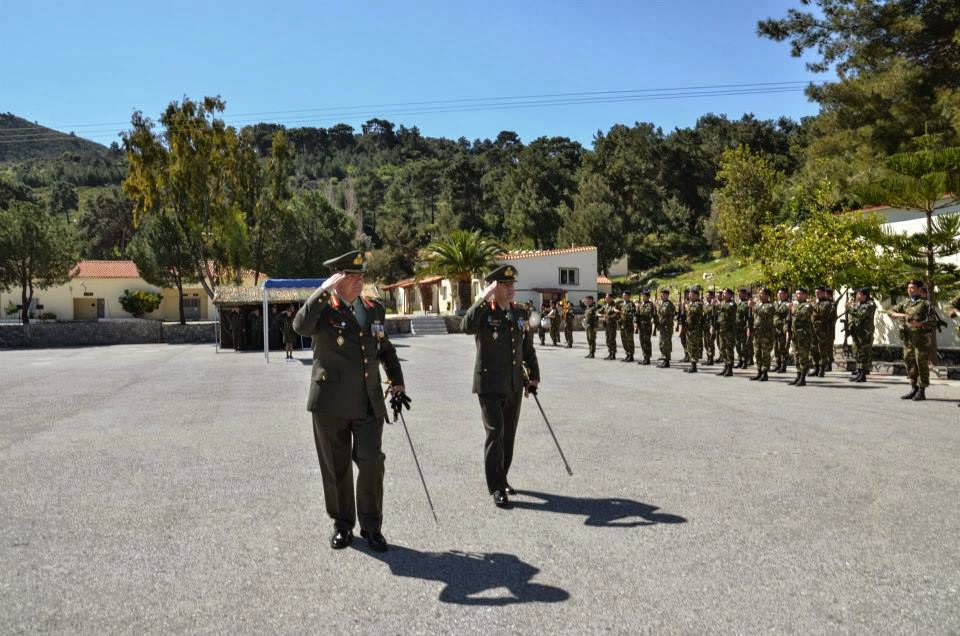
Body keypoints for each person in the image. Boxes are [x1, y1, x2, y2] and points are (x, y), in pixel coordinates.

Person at [292, 249, 406, 552]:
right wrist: (322, 291)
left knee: (372, 463)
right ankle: (343, 525)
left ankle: (372, 526)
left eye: (361, 276)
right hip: (330, 403)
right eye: (351, 276)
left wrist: (397, 382)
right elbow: (300, 327)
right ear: (337, 279)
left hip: (368, 401)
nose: (359, 281)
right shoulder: (324, 309)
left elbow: (385, 349)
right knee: (337, 466)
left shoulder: (373, 309)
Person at [462, 264, 540, 509]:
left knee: (508, 436)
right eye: (505, 286)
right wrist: (484, 299)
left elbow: (527, 349)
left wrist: (534, 376)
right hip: (489, 384)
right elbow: (466, 326)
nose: (511, 290)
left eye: (512, 285)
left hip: (514, 384)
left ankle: (503, 478)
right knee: (495, 433)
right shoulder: (485, 312)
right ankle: (496, 487)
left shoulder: (519, 314)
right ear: (494, 288)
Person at [888, 280, 934, 401]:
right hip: (908, 340)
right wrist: (901, 315)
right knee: (909, 362)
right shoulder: (905, 303)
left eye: (913, 288)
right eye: (908, 288)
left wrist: (920, 324)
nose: (910, 290)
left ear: (919, 289)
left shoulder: (925, 304)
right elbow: (890, 311)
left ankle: (922, 390)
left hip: (921, 340)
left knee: (921, 364)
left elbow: (933, 321)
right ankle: (913, 388)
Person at [848, 287, 876, 383]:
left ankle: (863, 374)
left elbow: (861, 315)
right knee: (858, 353)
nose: (857, 296)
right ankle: (859, 372)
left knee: (864, 354)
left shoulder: (870, 304)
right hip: (857, 333)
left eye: (859, 294)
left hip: (865, 333)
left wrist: (850, 308)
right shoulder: (859, 304)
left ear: (864, 295)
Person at [789, 287, 815, 387]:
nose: (797, 296)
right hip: (796, 335)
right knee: (796, 356)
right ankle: (798, 375)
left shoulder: (807, 305)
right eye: (796, 294)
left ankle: (803, 378)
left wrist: (793, 309)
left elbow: (803, 315)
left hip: (804, 335)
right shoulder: (796, 305)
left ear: (805, 295)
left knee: (803, 357)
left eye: (799, 294)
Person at [749, 287, 776, 382]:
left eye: (762, 293)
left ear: (767, 295)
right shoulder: (759, 305)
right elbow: (755, 318)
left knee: (765, 354)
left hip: (766, 334)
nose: (760, 295)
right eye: (759, 293)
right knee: (757, 353)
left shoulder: (770, 306)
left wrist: (753, 307)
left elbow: (764, 314)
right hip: (757, 333)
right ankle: (759, 371)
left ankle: (765, 373)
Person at [811, 285, 835, 377]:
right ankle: (816, 367)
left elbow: (822, 313)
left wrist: (812, 306)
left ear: (823, 293)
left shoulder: (827, 303)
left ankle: (822, 368)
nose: (816, 294)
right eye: (815, 293)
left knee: (822, 350)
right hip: (813, 330)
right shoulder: (816, 303)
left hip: (822, 331)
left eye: (818, 293)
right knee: (813, 349)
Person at [714, 288, 737, 377]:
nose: (723, 295)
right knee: (722, 348)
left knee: (729, 349)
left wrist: (718, 304)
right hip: (722, 329)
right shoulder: (722, 303)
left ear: (730, 295)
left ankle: (730, 368)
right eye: (723, 293)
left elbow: (727, 309)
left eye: (725, 294)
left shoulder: (732, 304)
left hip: (729, 331)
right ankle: (725, 366)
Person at [682, 287, 704, 373]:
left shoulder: (698, 304)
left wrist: (687, 306)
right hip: (689, 328)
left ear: (695, 295)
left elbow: (694, 311)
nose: (689, 295)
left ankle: (694, 365)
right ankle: (692, 364)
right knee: (690, 347)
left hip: (695, 329)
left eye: (691, 294)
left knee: (694, 347)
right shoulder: (691, 303)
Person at [772, 287, 792, 373]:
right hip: (775, 328)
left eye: (782, 294)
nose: (779, 295)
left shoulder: (787, 304)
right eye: (778, 294)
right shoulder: (775, 303)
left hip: (782, 328)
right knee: (776, 347)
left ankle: (783, 365)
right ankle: (778, 364)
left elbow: (783, 314)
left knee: (782, 348)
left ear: (786, 295)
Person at [655, 288, 675, 368]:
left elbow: (663, 312)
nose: (661, 296)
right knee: (662, 343)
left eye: (663, 294)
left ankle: (666, 361)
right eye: (661, 294)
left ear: (667, 295)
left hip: (667, 327)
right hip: (663, 327)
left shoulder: (668, 304)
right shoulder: (663, 303)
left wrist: (657, 306)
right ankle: (664, 359)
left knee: (666, 344)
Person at [635, 289, 655, 365]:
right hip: (641, 325)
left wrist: (639, 307)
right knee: (642, 341)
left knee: (646, 342)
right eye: (642, 295)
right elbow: (637, 314)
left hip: (646, 326)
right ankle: (644, 357)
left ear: (647, 296)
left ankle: (647, 358)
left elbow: (647, 313)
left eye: (644, 295)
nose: (643, 297)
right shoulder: (641, 304)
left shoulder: (650, 304)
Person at [735, 287, 753, 368]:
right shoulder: (738, 303)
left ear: (745, 295)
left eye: (741, 293)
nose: (739, 295)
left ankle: (745, 360)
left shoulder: (746, 304)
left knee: (744, 346)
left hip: (743, 327)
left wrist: (748, 328)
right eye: (739, 293)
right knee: (738, 345)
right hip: (737, 327)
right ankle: (740, 360)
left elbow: (749, 317)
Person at [601, 294, 619, 360]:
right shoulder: (605, 305)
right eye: (606, 298)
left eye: (607, 298)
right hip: (607, 325)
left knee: (612, 340)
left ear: (611, 298)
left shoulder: (615, 305)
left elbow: (617, 314)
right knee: (608, 340)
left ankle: (613, 354)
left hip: (612, 325)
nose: (606, 299)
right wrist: (602, 315)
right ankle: (610, 353)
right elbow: (598, 311)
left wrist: (609, 317)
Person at [619, 291, 636, 362]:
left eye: (625, 295)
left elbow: (632, 314)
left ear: (629, 296)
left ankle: (631, 355)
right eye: (623, 295)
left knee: (629, 341)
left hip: (628, 326)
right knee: (624, 341)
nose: (623, 297)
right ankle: (627, 354)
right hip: (622, 325)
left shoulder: (631, 304)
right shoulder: (622, 304)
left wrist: (621, 312)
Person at [702, 288, 717, 366]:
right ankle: (708, 357)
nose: (706, 297)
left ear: (712, 297)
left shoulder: (714, 306)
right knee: (706, 343)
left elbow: (713, 316)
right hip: (705, 326)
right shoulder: (705, 304)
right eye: (706, 296)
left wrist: (712, 326)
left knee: (710, 343)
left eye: (708, 296)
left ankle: (711, 358)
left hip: (711, 326)